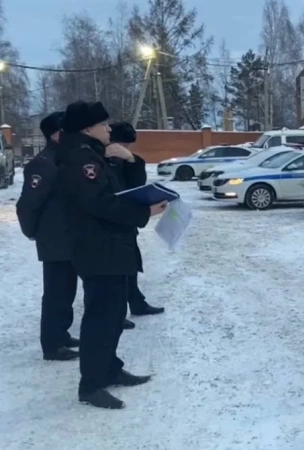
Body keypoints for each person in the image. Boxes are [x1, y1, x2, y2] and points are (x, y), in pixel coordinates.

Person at [56, 101, 167, 409]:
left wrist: (131, 160)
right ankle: (90, 386)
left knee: (115, 315)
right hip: (97, 249)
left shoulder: (96, 154)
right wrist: (144, 212)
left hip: (113, 248)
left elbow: (123, 189)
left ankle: (109, 369)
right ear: (87, 129)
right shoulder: (80, 160)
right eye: (103, 125)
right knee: (100, 318)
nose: (109, 129)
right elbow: (101, 204)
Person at [16, 111, 80, 361]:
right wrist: (32, 231)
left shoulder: (63, 158)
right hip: (54, 237)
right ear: (55, 134)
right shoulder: (44, 163)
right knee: (56, 292)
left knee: (68, 289)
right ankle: (51, 345)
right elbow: (28, 204)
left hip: (69, 235)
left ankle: (61, 333)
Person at [109, 121, 165, 329]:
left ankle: (136, 302)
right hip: (113, 220)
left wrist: (132, 160)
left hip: (127, 222)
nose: (127, 149)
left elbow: (136, 185)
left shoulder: (129, 160)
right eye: (123, 144)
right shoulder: (103, 162)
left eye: (129, 146)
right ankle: (116, 311)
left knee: (130, 263)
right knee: (117, 270)